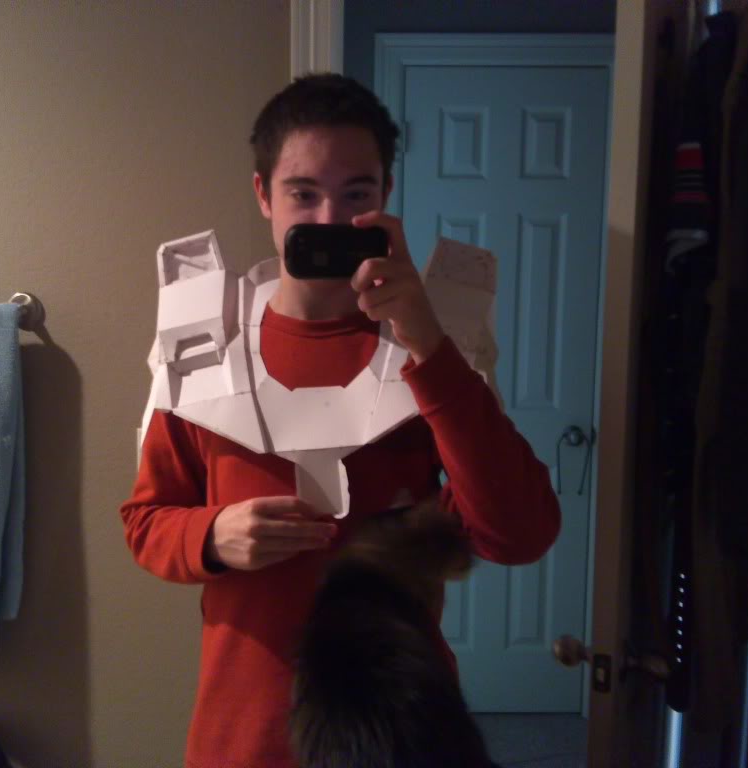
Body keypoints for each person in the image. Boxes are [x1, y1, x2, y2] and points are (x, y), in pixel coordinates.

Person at [119, 73, 561, 768]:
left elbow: (521, 532)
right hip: (244, 731)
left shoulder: (431, 349)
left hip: (394, 730)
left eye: (356, 194)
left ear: (386, 194)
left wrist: (426, 341)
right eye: (303, 193)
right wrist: (212, 535)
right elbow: (145, 523)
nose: (328, 220)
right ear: (263, 195)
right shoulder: (205, 347)